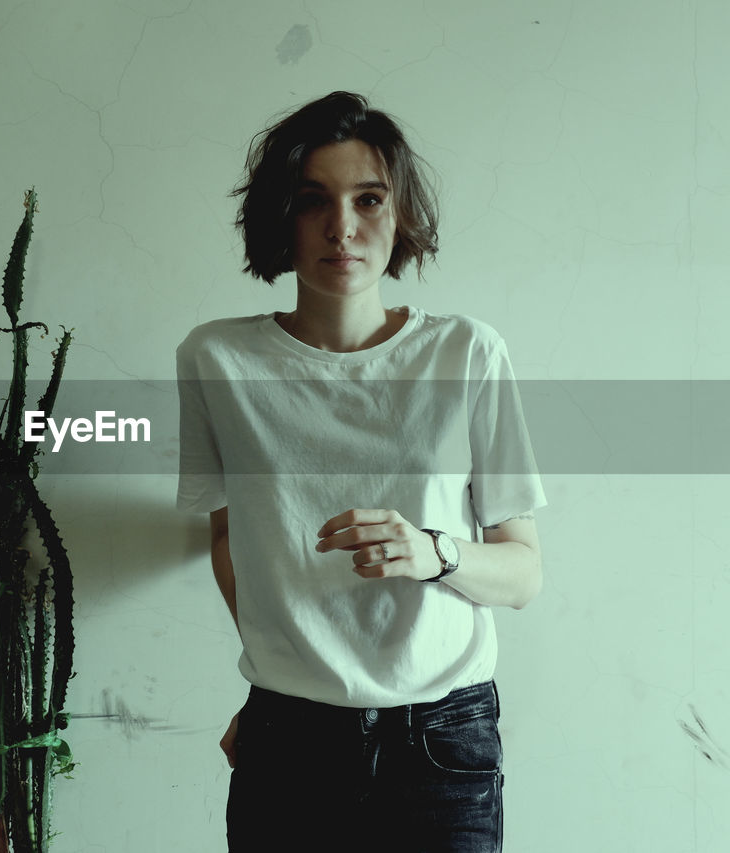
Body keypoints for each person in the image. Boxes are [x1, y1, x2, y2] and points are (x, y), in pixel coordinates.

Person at [175, 91, 547, 852]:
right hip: (288, 737)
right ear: (280, 217)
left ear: (400, 211)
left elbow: (524, 570)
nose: (341, 227)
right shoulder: (216, 361)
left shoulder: (468, 354)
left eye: (368, 199)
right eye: (313, 201)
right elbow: (229, 539)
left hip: (443, 741)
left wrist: (434, 551)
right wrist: (287, 669)